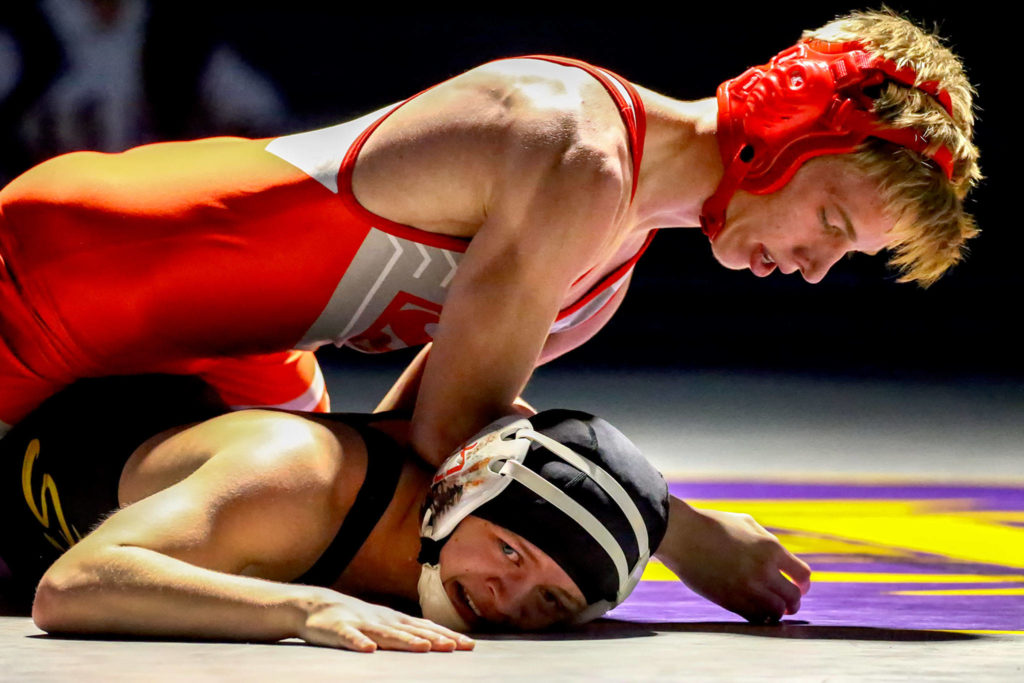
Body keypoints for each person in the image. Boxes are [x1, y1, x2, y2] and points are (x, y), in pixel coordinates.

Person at [0, 9, 964, 619]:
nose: (811, 268)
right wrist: (678, 530)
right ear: (783, 124)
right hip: (69, 273)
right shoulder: (576, 146)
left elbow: (435, 460)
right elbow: (455, 428)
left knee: (309, 509)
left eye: (847, 256)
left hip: (232, 347)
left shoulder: (607, 270)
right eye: (830, 222)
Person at [1, 375, 675, 651]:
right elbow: (70, 587)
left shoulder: (442, 544)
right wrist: (300, 608)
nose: (510, 598)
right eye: (509, 552)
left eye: (553, 597)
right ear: (461, 487)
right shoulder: (296, 476)